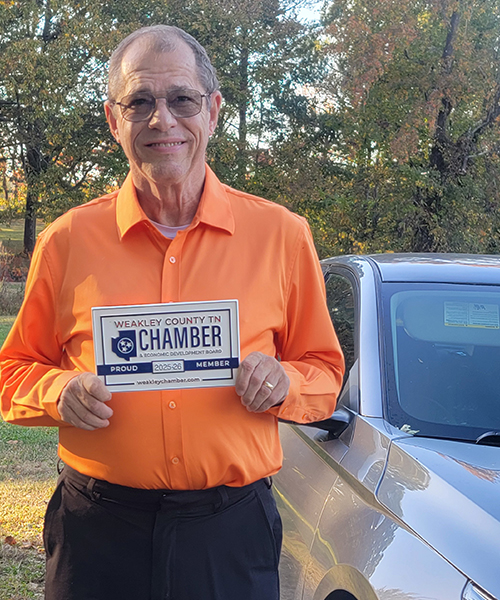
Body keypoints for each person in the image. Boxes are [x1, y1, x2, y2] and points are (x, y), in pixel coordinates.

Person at [0, 25, 344, 600]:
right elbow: (12, 373)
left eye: (182, 99)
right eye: (139, 102)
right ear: (114, 121)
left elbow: (325, 372)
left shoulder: (281, 236)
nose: (162, 120)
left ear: (213, 111)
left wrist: (286, 380)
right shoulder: (66, 241)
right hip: (97, 534)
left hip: (228, 533)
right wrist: (58, 391)